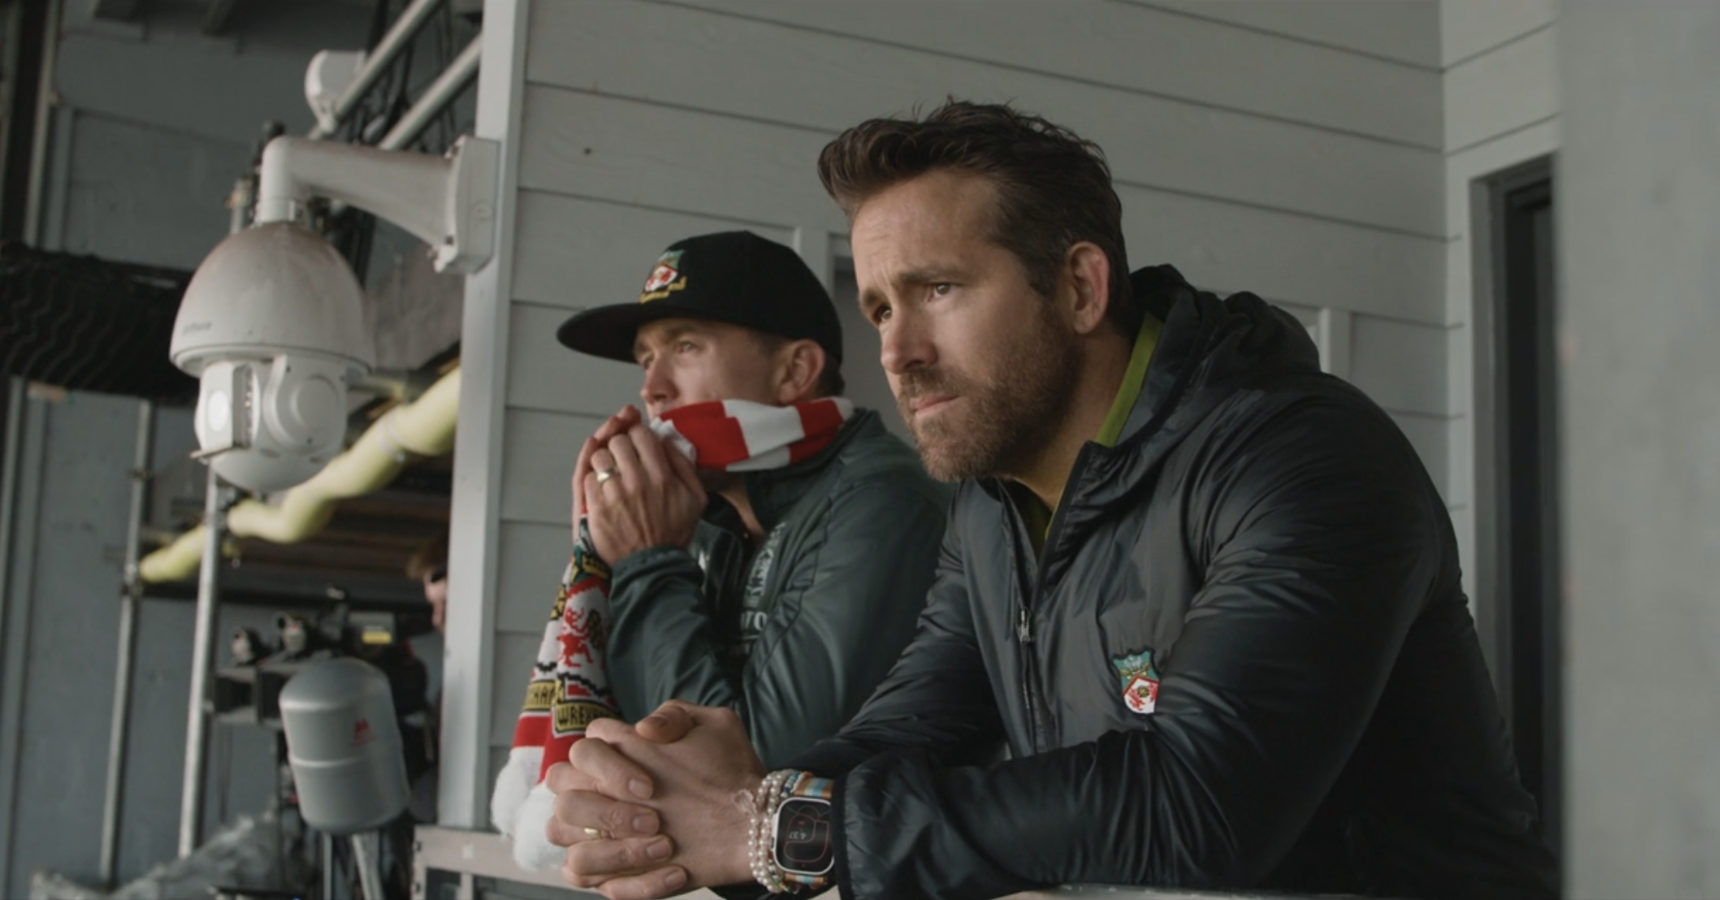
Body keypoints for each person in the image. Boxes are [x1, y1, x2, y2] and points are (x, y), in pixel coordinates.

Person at [541, 103, 1560, 899]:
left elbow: (1197, 811)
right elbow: (901, 735)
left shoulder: (1302, 455)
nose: (895, 352)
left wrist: (772, 828)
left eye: (938, 289)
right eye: (881, 307)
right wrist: (696, 806)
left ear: (1079, 288)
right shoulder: (991, 507)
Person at [555, 230, 951, 768]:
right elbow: (628, 738)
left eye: (685, 346)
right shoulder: (701, 518)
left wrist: (647, 563)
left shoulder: (882, 502)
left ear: (794, 372)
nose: (653, 388)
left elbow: (746, 769)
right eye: (646, 359)